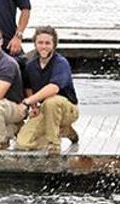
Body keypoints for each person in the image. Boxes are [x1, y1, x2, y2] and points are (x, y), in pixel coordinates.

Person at [16, 26, 79, 155]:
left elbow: (53, 88)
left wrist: (27, 102)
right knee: (22, 144)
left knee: (51, 101)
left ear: (54, 45)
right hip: (45, 109)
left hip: (67, 110)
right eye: (40, 43)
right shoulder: (31, 65)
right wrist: (34, 107)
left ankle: (54, 144)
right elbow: (28, 87)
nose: (43, 46)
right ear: (35, 44)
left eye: (47, 43)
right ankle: (64, 131)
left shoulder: (61, 63)